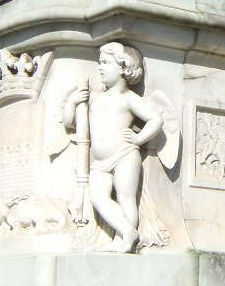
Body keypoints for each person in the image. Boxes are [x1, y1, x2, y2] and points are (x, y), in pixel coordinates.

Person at [62, 43, 164, 253]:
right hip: (99, 162)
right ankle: (128, 231)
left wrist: (138, 139)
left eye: (106, 63)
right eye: (100, 63)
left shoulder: (128, 98)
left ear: (123, 68)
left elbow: (156, 119)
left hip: (125, 155)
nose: (100, 67)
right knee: (97, 197)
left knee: (126, 198)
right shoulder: (95, 98)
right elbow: (69, 123)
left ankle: (123, 239)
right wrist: (72, 102)